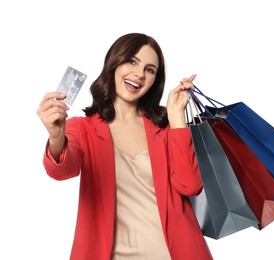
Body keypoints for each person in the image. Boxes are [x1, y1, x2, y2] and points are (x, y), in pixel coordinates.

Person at [37, 33, 213, 260]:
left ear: (154, 80)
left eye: (150, 69)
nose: (140, 74)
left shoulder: (166, 126)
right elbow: (61, 171)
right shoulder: (83, 128)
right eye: (132, 61)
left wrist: (177, 117)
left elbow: (190, 186)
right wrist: (56, 137)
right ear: (114, 63)